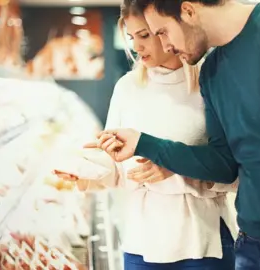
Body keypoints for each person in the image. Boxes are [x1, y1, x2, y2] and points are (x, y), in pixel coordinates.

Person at [92, 0, 260, 269]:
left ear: (188, 10)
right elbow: (223, 165)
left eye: (162, 31)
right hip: (249, 245)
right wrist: (143, 143)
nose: (165, 45)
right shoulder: (212, 71)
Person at [53, 2, 238, 269]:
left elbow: (231, 172)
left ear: (166, 29)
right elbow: (119, 169)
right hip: (142, 244)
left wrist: (174, 168)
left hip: (202, 243)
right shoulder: (127, 88)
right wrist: (85, 170)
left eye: (144, 35)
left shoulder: (210, 83)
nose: (137, 47)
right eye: (131, 37)